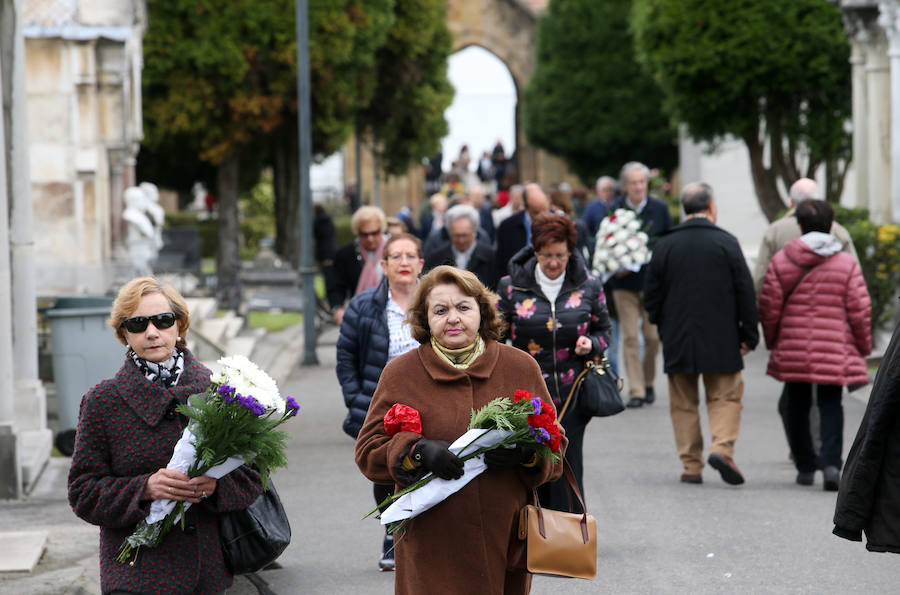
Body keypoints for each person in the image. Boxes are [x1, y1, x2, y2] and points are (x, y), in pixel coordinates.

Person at [355, 266, 566, 595]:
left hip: (503, 537)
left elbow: (557, 446)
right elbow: (368, 453)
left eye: (463, 307)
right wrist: (417, 452)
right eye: (440, 310)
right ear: (426, 319)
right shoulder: (401, 373)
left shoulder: (520, 366)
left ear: (482, 312)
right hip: (429, 540)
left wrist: (525, 455)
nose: (452, 318)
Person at [67, 277, 263, 594]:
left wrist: (216, 485)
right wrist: (144, 488)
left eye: (162, 320)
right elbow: (83, 492)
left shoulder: (218, 392)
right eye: (138, 324)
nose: (152, 332)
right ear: (123, 333)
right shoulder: (102, 402)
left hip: (207, 571)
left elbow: (254, 477)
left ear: (180, 324)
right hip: (134, 574)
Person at [644, 183, 759, 485]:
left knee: (683, 402)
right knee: (725, 396)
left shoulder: (665, 245)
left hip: (678, 335)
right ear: (711, 207)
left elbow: (651, 295)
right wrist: (749, 333)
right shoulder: (726, 242)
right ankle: (722, 448)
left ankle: (691, 466)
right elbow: (745, 292)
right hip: (722, 337)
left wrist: (661, 323)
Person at [497, 213, 611, 509]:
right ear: (534, 251)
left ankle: (570, 534)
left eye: (560, 255)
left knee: (567, 463)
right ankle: (533, 533)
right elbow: (495, 337)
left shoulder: (589, 285)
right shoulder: (511, 286)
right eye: (546, 255)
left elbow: (604, 329)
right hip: (528, 395)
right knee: (532, 464)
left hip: (573, 391)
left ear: (570, 252)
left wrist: (593, 343)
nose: (553, 262)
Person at [759, 199, 871, 490]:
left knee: (796, 403)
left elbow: (769, 306)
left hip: (794, 342)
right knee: (831, 402)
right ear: (831, 224)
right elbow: (860, 308)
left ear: (799, 225)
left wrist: (772, 340)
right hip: (835, 345)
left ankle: (805, 465)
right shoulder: (846, 263)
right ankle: (832, 463)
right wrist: (863, 345)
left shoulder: (783, 260)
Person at [336, 233, 425, 571]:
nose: (404, 263)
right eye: (396, 257)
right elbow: (346, 357)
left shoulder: (433, 303)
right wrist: (356, 398)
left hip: (429, 400)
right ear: (384, 265)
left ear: (421, 263)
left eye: (410, 256)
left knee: (425, 466)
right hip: (381, 405)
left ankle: (422, 537)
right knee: (386, 469)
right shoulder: (364, 306)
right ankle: (392, 533)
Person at [833, 316, 900, 552]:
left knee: (806, 401)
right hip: (833, 348)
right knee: (826, 402)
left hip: (807, 348)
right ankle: (825, 461)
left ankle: (816, 462)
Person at [609, 161, 672, 408]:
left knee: (653, 337)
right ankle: (635, 390)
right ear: (625, 186)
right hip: (623, 284)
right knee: (631, 338)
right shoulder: (614, 209)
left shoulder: (659, 209)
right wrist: (615, 263)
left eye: (642, 182)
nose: (638, 187)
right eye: (633, 183)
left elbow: (667, 243)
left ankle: (647, 382)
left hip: (652, 284)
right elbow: (605, 242)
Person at [327, 206, 388, 326]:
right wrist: (338, 309)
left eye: (374, 233)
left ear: (381, 229)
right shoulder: (346, 254)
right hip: (358, 318)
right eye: (364, 234)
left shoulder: (395, 250)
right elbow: (336, 286)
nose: (370, 238)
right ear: (357, 232)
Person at [424, 204, 498, 290]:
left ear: (474, 232)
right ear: (449, 233)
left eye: (465, 235)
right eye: (456, 236)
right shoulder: (436, 258)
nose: (461, 240)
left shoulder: (491, 257)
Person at [494, 182, 551, 281]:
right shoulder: (507, 227)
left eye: (544, 210)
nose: (542, 216)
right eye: (536, 212)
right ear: (526, 207)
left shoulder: (560, 224)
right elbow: (501, 263)